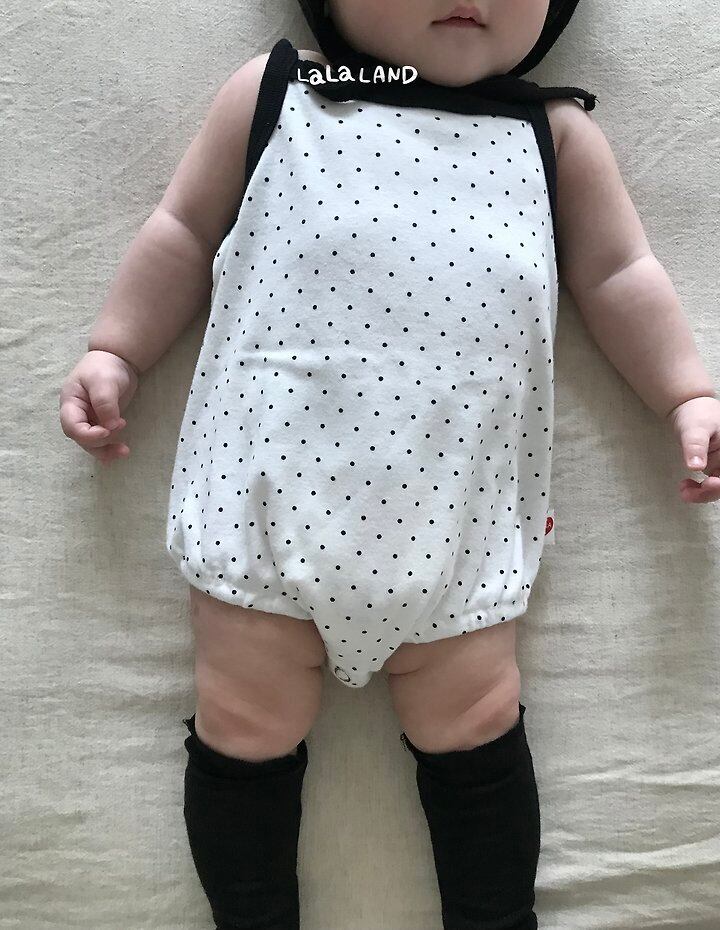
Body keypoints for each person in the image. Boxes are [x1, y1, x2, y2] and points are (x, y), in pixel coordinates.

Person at [59, 1, 720, 927]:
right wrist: (117, 349)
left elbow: (619, 275)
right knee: (243, 724)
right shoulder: (281, 93)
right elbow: (181, 231)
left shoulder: (553, 135)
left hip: (455, 531)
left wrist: (686, 395)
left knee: (478, 728)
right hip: (266, 509)